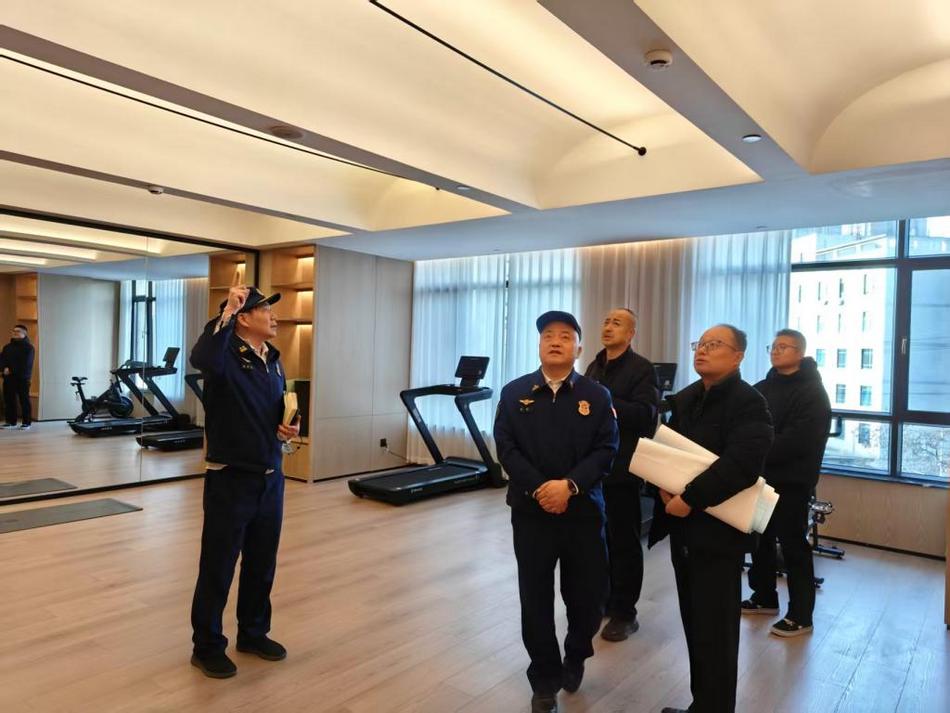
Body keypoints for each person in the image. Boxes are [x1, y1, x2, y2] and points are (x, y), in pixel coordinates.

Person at [494, 310, 619, 713]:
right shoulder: (514, 393)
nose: (555, 341)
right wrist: (540, 488)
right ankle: (544, 677)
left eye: (566, 336)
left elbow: (606, 450)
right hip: (531, 513)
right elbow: (506, 447)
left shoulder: (596, 396)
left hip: (583, 512)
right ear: (539, 344)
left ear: (579, 349)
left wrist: (569, 486)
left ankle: (576, 654)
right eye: (548, 334)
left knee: (588, 597)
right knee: (535, 597)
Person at [650, 324, 773, 713]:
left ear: (738, 356)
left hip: (718, 533)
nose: (702, 350)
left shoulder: (749, 402)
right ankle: (701, 704)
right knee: (694, 623)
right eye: (699, 344)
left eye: (714, 344)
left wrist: (690, 498)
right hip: (683, 528)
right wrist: (661, 486)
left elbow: (742, 465)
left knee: (716, 631)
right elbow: (666, 451)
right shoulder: (688, 398)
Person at [189, 285, 300, 679]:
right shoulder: (222, 357)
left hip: (271, 477)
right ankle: (206, 647)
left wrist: (288, 427)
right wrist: (226, 313)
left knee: (261, 562)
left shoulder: (273, 359)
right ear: (243, 318)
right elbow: (201, 357)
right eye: (265, 310)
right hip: (231, 479)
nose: (274, 316)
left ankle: (253, 633)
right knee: (218, 567)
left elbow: (273, 409)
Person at [744, 329, 831, 637]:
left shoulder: (812, 392)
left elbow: (799, 440)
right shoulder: (763, 387)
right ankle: (764, 596)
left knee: (793, 545)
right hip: (760, 477)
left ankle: (801, 615)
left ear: (800, 353)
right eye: (774, 346)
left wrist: (756, 447)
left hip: (792, 480)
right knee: (759, 539)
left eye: (784, 346)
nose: (776, 351)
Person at [583, 308, 658, 641]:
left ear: (630, 334)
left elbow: (646, 415)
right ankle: (605, 600)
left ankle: (625, 613)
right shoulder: (593, 366)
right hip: (592, 468)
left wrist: (606, 402)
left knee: (624, 542)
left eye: (617, 323)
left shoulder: (641, 369)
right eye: (605, 321)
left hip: (623, 468)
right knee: (597, 540)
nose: (608, 326)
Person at [1, 324, 35, 430]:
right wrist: (3, 368)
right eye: (14, 331)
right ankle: (11, 422)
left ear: (24, 333)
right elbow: (2, 360)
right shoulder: (7, 347)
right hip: (8, 378)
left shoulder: (29, 348)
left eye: (18, 331)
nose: (15, 333)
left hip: (22, 378)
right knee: (9, 400)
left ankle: (26, 423)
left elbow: (26, 363)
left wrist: (10, 369)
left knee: (24, 400)